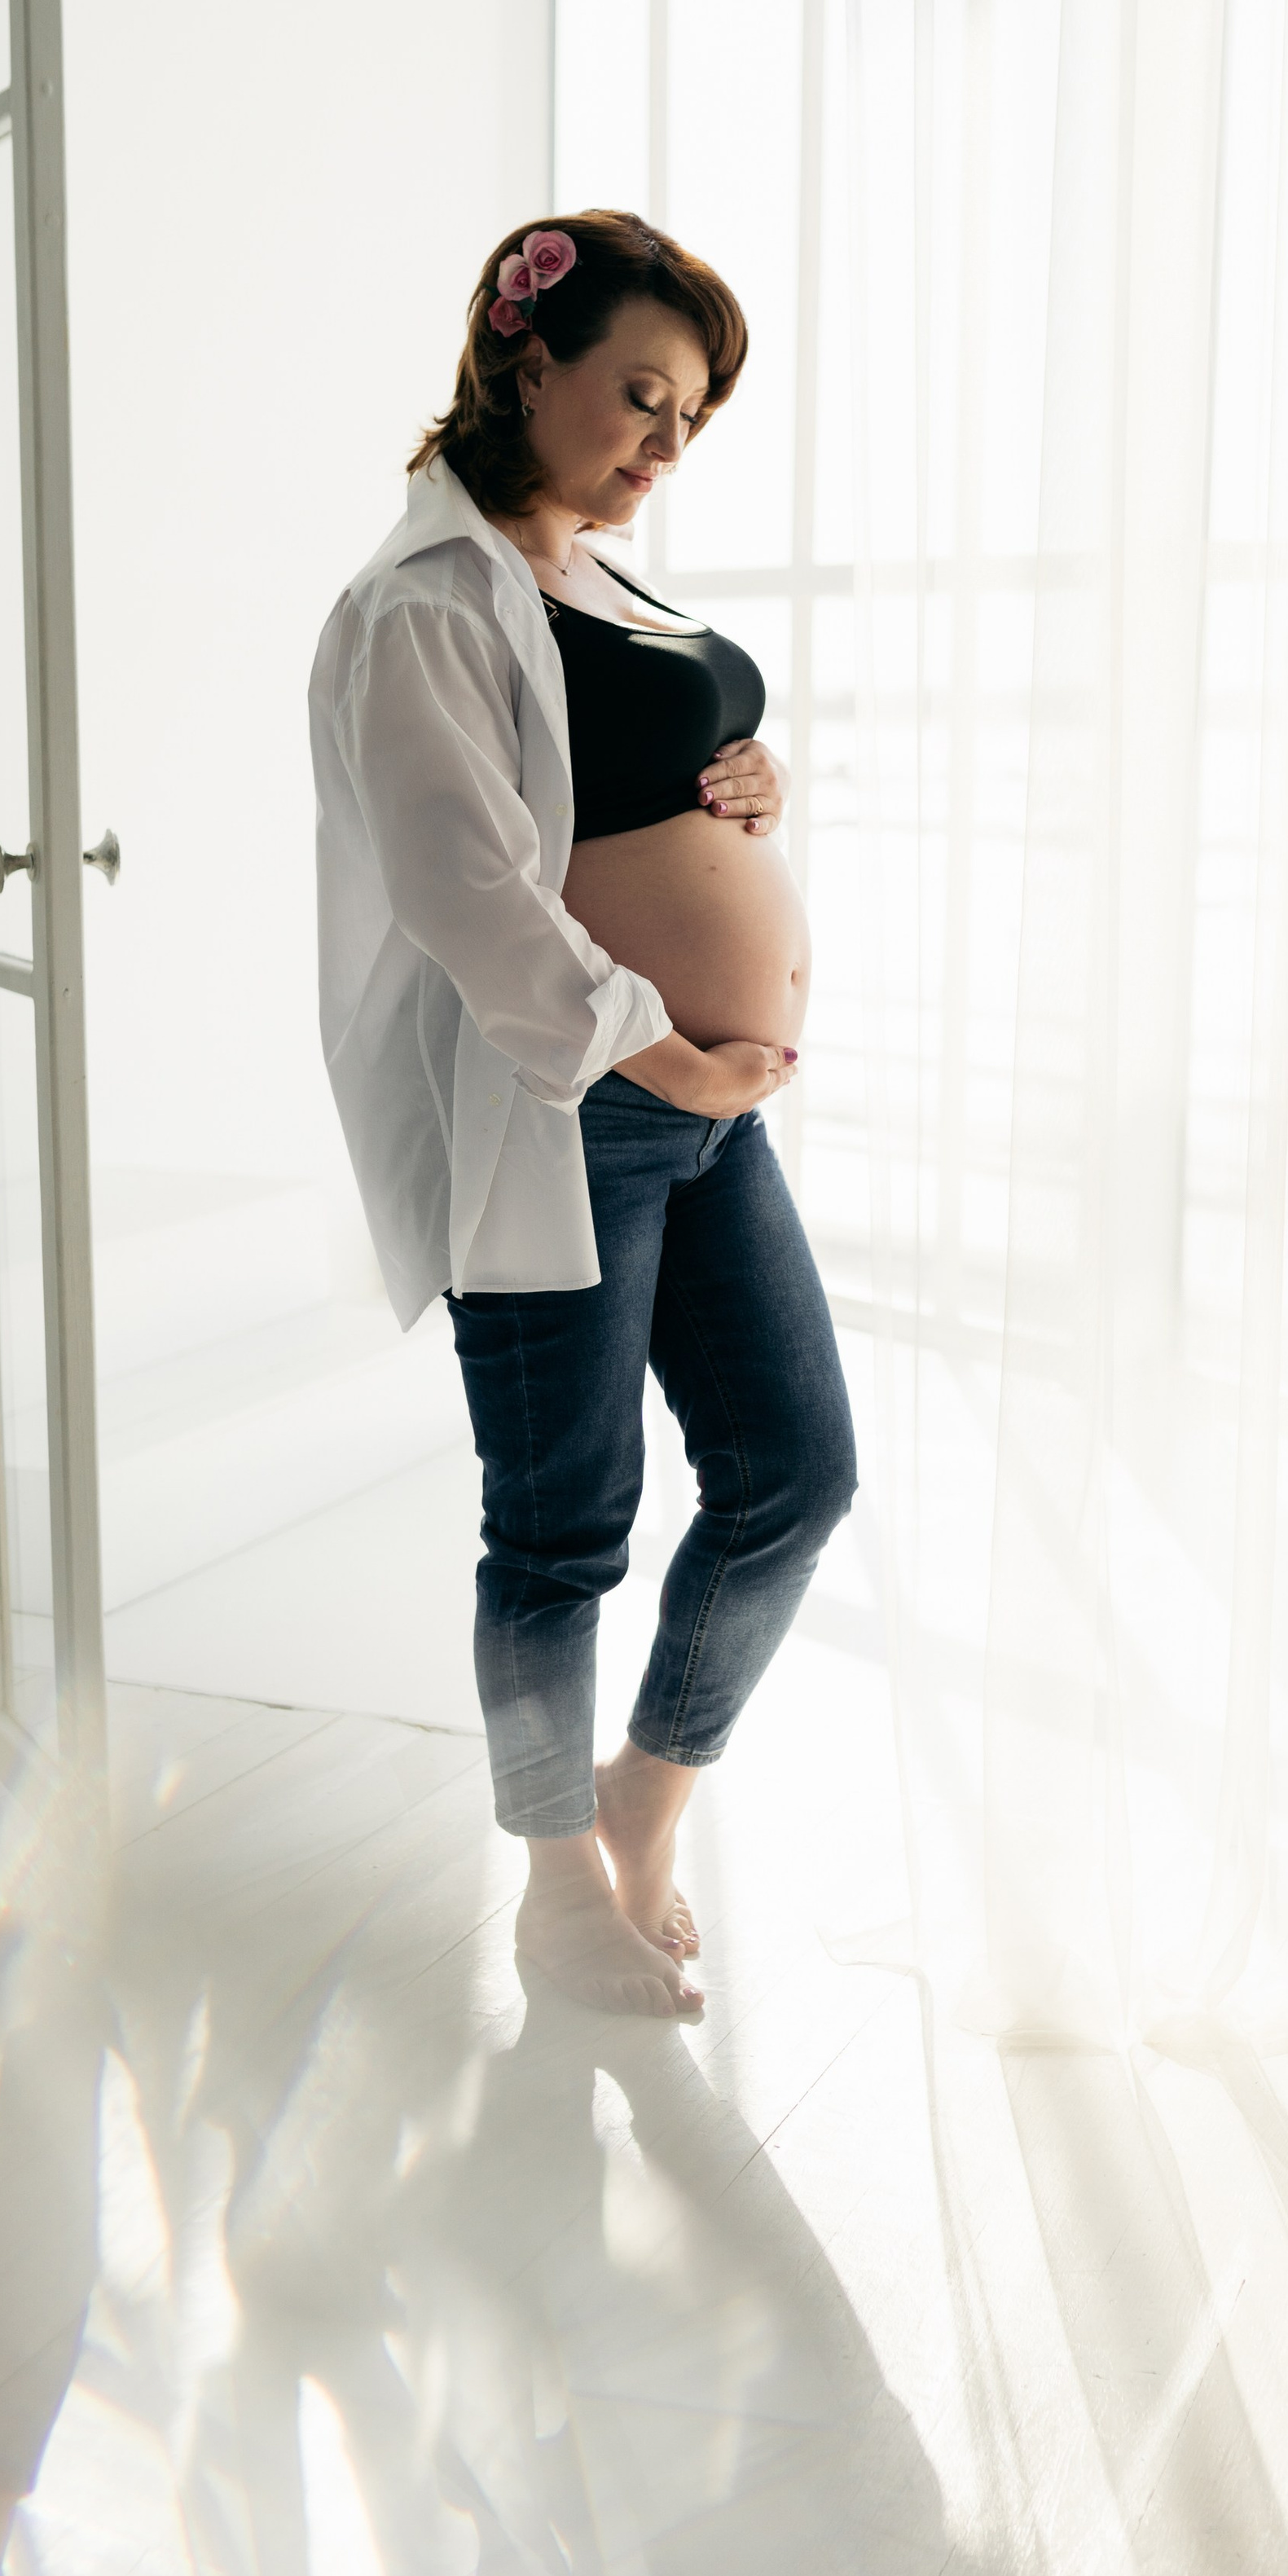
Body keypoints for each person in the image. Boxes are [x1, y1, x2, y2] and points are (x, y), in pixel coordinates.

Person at [310, 211, 855, 2021]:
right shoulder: (421, 605)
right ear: (522, 359)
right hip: (577, 1118)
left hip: (706, 1122)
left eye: (690, 415)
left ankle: (644, 1797)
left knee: (794, 1474)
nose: (665, 442)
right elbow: (468, 891)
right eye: (640, 395)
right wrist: (665, 1051)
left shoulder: (600, 578)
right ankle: (556, 1890)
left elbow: (637, 781)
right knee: (561, 1531)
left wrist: (753, 783)